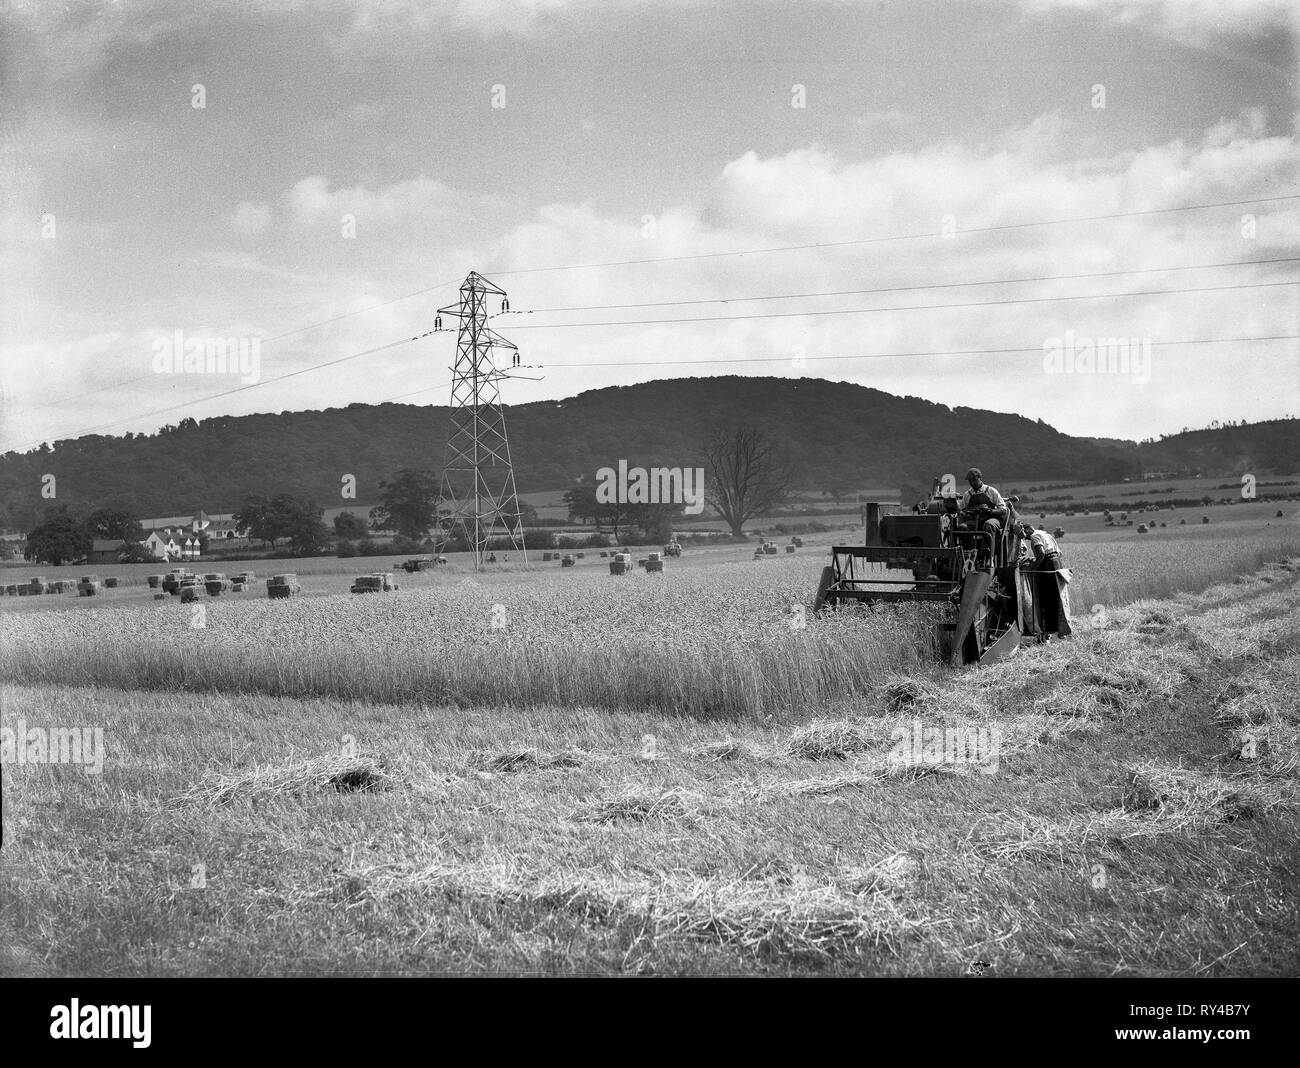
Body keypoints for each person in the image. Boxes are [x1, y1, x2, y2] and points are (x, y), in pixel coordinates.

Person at [1019, 521, 1072, 637]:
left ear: (1027, 530)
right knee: (1058, 596)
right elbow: (1058, 552)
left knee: (1047, 597)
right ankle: (1061, 630)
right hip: (1057, 562)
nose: (1026, 538)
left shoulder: (1034, 537)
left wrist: (1035, 568)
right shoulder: (1044, 533)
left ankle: (1049, 629)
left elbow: (1041, 554)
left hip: (1048, 564)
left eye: (1025, 534)